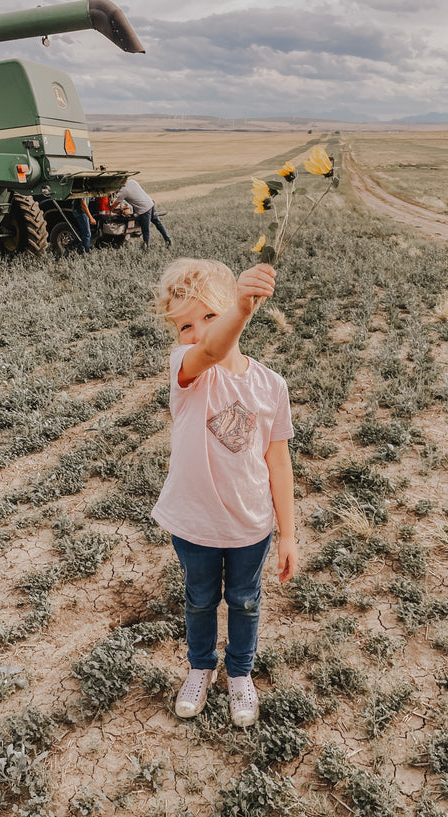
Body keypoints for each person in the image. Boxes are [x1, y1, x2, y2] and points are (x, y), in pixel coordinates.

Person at [152, 258, 298, 727]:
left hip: (250, 526)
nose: (195, 332)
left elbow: (278, 461)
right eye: (184, 325)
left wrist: (289, 534)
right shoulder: (188, 371)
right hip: (194, 523)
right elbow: (211, 352)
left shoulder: (271, 386)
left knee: (245, 601)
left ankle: (240, 674)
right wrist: (237, 311)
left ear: (231, 311)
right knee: (198, 600)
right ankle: (200, 667)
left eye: (208, 317)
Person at [110, 178, 171, 249]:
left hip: (144, 209)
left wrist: (109, 211)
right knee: (158, 223)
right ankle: (168, 240)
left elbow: (114, 206)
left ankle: (146, 247)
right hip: (150, 203)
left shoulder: (124, 191)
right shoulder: (132, 182)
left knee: (145, 230)